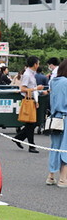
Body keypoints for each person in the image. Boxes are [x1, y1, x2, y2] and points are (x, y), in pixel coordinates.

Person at [13, 56, 44, 153]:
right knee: (31, 123)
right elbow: (22, 89)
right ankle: (30, 145)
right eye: (38, 63)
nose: (38, 65)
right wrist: (36, 89)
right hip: (28, 100)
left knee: (31, 123)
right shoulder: (27, 74)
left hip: (31, 100)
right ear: (35, 64)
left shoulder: (31, 74)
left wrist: (36, 100)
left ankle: (19, 138)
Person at [47, 59, 67, 187]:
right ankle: (63, 179)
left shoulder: (53, 81)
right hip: (65, 117)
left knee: (54, 147)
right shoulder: (66, 82)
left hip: (55, 117)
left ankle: (51, 176)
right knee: (65, 148)